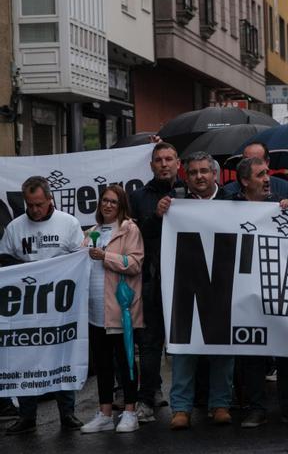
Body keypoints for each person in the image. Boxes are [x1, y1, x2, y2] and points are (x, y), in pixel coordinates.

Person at [229, 157, 288, 428]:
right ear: (244, 181)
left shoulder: (280, 204)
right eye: (260, 175)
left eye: (267, 173)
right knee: (252, 353)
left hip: (280, 289)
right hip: (246, 293)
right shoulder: (229, 207)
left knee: (287, 349)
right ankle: (257, 409)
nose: (267, 179)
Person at [1, 176, 85, 435]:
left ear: (50, 199)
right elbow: (5, 259)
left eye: (39, 204)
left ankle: (67, 413)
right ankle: (27, 415)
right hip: (27, 305)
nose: (34, 210)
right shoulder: (15, 227)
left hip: (59, 304)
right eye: (30, 205)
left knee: (61, 354)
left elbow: (79, 258)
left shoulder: (68, 223)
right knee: (26, 357)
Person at [165, 153, 236, 429]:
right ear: (187, 176)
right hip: (184, 282)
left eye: (204, 171)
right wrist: (160, 214)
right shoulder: (175, 203)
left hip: (223, 283)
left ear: (215, 174)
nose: (199, 177)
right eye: (193, 172)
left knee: (223, 348)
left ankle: (220, 404)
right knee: (184, 348)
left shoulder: (233, 202)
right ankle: (181, 409)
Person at [79, 185, 144, 434]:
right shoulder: (92, 231)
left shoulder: (129, 229)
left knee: (125, 361)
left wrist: (105, 256)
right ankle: (105, 413)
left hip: (120, 310)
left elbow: (135, 263)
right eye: (104, 201)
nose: (107, 205)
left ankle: (130, 411)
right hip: (95, 312)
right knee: (103, 364)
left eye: (113, 202)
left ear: (121, 206)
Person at [128, 142, 184, 422]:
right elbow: (134, 236)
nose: (164, 164)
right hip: (152, 278)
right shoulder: (138, 197)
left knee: (191, 341)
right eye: (159, 160)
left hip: (188, 279)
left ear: (178, 163)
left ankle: (198, 399)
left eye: (169, 159)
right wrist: (156, 216)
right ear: (151, 165)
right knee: (149, 343)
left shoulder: (190, 192)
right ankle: (147, 399)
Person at [223, 142, 288, 199]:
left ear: (267, 162)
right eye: (246, 160)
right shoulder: (228, 192)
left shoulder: (284, 188)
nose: (250, 164)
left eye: (256, 161)